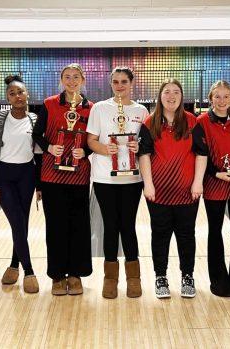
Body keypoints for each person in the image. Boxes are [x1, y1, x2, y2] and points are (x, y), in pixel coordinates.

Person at [87, 66, 149, 299]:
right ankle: (110, 277)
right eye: (116, 82)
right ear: (111, 84)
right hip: (104, 178)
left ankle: (134, 277)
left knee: (128, 226)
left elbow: (147, 145)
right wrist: (105, 149)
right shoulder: (100, 109)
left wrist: (138, 147)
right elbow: (91, 140)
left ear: (131, 84)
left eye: (124, 81)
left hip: (133, 178)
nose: (120, 85)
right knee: (110, 226)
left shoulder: (141, 111)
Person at [32, 63, 94, 295]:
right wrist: (50, 147)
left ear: (83, 80)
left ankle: (76, 274)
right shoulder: (49, 104)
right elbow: (37, 134)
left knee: (79, 227)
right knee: (56, 227)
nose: (71, 81)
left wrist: (85, 151)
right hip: (51, 175)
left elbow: (94, 138)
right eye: (67, 77)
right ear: (61, 79)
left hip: (79, 177)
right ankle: (57, 276)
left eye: (76, 77)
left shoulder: (91, 108)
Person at [139, 78, 203, 299]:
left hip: (188, 191)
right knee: (160, 234)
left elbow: (201, 154)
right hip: (158, 192)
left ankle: (188, 276)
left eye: (176, 92)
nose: (172, 96)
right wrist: (148, 185)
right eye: (167, 92)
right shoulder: (149, 123)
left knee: (187, 235)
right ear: (160, 96)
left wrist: (198, 182)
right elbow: (144, 155)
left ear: (181, 96)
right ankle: (160, 277)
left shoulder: (192, 121)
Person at [192, 80, 230, 300]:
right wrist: (215, 173)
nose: (221, 101)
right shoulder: (201, 122)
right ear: (210, 99)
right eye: (217, 96)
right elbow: (197, 154)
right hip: (214, 183)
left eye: (226, 96)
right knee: (215, 232)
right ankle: (218, 281)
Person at [0, 75, 41, 294]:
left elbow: (39, 157)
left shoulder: (34, 120)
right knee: (17, 223)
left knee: (23, 223)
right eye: (12, 93)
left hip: (26, 175)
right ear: (7, 97)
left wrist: (39, 185)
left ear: (27, 94)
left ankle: (14, 264)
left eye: (21, 92)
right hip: (4, 176)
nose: (17, 96)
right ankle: (29, 271)